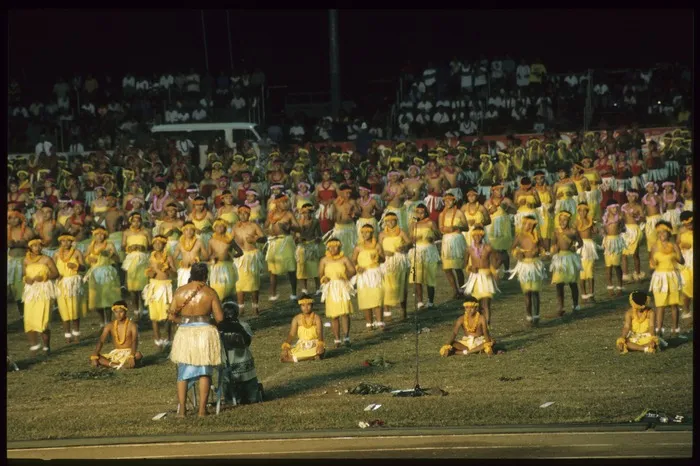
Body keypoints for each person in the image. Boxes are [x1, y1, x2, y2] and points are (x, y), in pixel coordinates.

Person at [168, 262, 224, 417]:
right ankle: (202, 410)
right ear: (205, 275)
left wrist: (185, 322)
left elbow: (171, 315)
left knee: (182, 372)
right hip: (205, 333)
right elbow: (219, 317)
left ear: (191, 275)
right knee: (204, 372)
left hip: (185, 333)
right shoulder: (210, 293)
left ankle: (182, 411)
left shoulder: (180, 291)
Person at [219, 301, 261, 404]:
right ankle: (252, 396)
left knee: (229, 382)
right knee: (249, 382)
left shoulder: (219, 328)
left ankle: (232, 399)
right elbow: (248, 342)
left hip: (228, 362)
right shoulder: (243, 325)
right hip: (244, 360)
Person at [508, 216, 547, 326]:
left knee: (535, 292)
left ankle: (536, 316)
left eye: (531, 224)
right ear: (523, 224)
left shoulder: (537, 236)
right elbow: (512, 248)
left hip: (535, 265)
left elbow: (544, 248)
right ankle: (529, 316)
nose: (529, 226)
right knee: (527, 292)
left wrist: (540, 251)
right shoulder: (519, 236)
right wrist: (517, 253)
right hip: (525, 266)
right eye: (527, 224)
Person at [23, 238, 59, 354]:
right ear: (30, 247)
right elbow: (24, 274)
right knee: (29, 318)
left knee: (43, 319)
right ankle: (34, 345)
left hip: (44, 290)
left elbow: (56, 273)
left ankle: (46, 347)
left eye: (39, 246)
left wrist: (44, 277)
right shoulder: (26, 260)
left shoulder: (46, 259)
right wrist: (25, 279)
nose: (37, 248)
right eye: (34, 246)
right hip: (31, 292)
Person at [649, 221, 684, 338]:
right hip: (659, 278)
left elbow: (682, 261)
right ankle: (659, 330)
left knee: (674, 304)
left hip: (672, 276)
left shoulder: (674, 246)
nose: (661, 234)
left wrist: (676, 255)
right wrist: (654, 263)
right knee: (660, 305)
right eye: (659, 233)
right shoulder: (654, 246)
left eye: (664, 232)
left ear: (669, 233)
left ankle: (675, 330)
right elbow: (652, 264)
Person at [319, 238, 356, 348]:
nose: (333, 249)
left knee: (344, 313)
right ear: (328, 248)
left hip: (342, 287)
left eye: (335, 246)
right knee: (334, 315)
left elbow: (352, 271)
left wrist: (346, 276)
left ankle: (346, 336)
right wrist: (324, 278)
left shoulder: (344, 259)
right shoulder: (324, 260)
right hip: (331, 288)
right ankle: (337, 339)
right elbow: (320, 273)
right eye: (330, 247)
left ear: (340, 247)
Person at [461, 225, 500, 325]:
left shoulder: (488, 248)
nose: (477, 238)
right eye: (475, 235)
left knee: (486, 303)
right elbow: (464, 264)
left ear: (483, 236)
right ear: (472, 236)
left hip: (486, 277)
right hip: (475, 278)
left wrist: (494, 270)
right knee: (476, 305)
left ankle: (487, 326)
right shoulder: (469, 249)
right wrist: (470, 268)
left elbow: (497, 258)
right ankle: (478, 327)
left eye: (479, 235)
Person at [143, 235, 177, 348]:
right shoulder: (151, 257)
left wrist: (167, 268)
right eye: (155, 243)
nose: (157, 245)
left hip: (165, 286)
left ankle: (168, 338)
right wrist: (149, 272)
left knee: (168, 314)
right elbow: (148, 270)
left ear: (164, 244)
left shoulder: (169, 257)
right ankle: (157, 339)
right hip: (154, 286)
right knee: (154, 315)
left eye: (159, 243)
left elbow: (175, 274)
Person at [231, 205, 265, 315]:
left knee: (253, 282)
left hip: (252, 256)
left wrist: (255, 239)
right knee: (239, 283)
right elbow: (230, 240)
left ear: (249, 214)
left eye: (245, 213)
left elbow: (264, 238)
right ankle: (241, 308)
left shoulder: (254, 225)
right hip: (240, 257)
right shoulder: (235, 227)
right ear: (238, 215)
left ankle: (255, 306)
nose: (243, 215)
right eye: (240, 213)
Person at [84, 227, 122, 327]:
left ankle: (108, 323)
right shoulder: (90, 246)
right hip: (94, 273)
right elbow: (85, 259)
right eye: (97, 234)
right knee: (96, 299)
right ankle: (102, 322)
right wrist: (89, 259)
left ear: (105, 235)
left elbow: (117, 259)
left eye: (102, 234)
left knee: (107, 299)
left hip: (106, 273)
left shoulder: (109, 245)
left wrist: (111, 254)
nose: (100, 236)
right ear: (94, 235)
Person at [264, 193, 299, 301]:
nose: (286, 204)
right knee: (272, 270)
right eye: (283, 202)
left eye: (286, 201)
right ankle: (273, 293)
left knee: (291, 268)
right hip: (273, 243)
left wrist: (290, 226)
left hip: (286, 242)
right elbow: (265, 227)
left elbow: (298, 228)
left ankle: (294, 293)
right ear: (277, 203)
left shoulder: (289, 214)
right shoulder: (271, 214)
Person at [54, 234, 87, 344]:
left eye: (68, 241)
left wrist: (76, 266)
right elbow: (53, 269)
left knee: (74, 309)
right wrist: (56, 276)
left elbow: (84, 267)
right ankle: (67, 335)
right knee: (64, 310)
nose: (66, 243)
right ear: (60, 242)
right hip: (62, 284)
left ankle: (76, 334)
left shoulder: (77, 252)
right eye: (63, 241)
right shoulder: (56, 254)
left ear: (72, 242)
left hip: (73, 283)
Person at [90, 301, 143, 369]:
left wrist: (132, 355)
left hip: (129, 353)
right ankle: (119, 365)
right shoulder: (109, 325)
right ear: (113, 312)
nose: (118, 314)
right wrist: (95, 355)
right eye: (116, 312)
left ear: (126, 312)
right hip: (116, 353)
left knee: (138, 355)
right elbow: (101, 341)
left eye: (121, 312)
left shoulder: (132, 325)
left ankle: (114, 365)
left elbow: (134, 341)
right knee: (95, 356)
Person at [352, 224, 385, 331]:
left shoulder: (377, 246)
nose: (365, 234)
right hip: (364, 274)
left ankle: (380, 321)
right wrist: (357, 267)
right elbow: (353, 261)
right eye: (363, 232)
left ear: (372, 233)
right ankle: (369, 323)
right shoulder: (358, 247)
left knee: (377, 297)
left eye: (367, 232)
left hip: (375, 273)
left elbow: (383, 259)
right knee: (366, 298)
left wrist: (378, 257)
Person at [379, 212, 410, 321]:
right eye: (387, 221)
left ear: (396, 221)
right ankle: (387, 312)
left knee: (401, 285)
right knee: (386, 286)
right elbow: (378, 248)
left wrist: (404, 247)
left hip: (399, 260)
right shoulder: (382, 234)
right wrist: (384, 252)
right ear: (385, 222)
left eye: (392, 220)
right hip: (386, 262)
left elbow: (409, 243)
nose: (390, 223)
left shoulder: (401, 232)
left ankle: (403, 310)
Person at [408, 203, 441, 309]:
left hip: (428, 251)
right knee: (417, 277)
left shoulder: (431, 223)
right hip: (417, 251)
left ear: (425, 212)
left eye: (421, 212)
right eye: (417, 212)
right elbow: (410, 238)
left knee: (429, 277)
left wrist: (432, 238)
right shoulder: (413, 224)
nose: (419, 214)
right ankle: (420, 301)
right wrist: (413, 240)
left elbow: (438, 235)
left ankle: (430, 301)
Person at [550, 211, 582, 316]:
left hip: (570, 258)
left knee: (573, 283)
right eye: (560, 220)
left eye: (565, 220)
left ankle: (576, 305)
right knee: (559, 284)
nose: (562, 222)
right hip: (560, 258)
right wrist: (554, 249)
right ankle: (561, 307)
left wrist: (575, 247)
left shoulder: (573, 231)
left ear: (569, 220)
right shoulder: (556, 231)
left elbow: (580, 242)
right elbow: (553, 243)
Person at [121, 212, 151, 319]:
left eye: (138, 221)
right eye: (134, 221)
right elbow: (122, 247)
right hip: (131, 261)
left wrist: (143, 248)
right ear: (130, 221)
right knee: (133, 288)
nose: (136, 223)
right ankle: (136, 311)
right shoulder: (126, 233)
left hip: (143, 260)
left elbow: (151, 245)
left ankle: (145, 312)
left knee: (143, 286)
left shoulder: (146, 232)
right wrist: (129, 248)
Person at [439, 192, 468, 298]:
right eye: (445, 201)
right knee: (447, 268)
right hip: (447, 240)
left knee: (457, 267)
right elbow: (440, 228)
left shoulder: (459, 213)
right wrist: (445, 230)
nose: (447, 202)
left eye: (449, 200)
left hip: (457, 239)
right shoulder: (442, 214)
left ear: (454, 201)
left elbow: (466, 227)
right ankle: (455, 290)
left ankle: (461, 289)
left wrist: (457, 228)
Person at [280, 294, 325, 362]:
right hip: (302, 345)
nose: (306, 307)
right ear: (300, 307)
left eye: (308, 305)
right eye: (303, 305)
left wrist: (320, 344)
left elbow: (319, 332)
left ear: (312, 305)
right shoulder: (297, 319)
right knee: (286, 353)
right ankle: (310, 357)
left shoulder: (316, 318)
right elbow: (292, 334)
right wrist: (286, 346)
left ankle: (293, 359)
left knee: (319, 351)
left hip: (314, 344)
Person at [8, 209, 35, 318]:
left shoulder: (27, 230)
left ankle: (30, 310)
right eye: (10, 218)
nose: (12, 220)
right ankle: (22, 314)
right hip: (12, 262)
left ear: (20, 218)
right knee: (15, 288)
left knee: (26, 286)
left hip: (25, 260)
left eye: (15, 217)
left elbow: (29, 243)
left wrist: (22, 243)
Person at [208, 219, 243, 301]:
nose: (220, 228)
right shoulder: (211, 241)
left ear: (225, 228)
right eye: (217, 226)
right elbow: (209, 255)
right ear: (214, 228)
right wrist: (212, 258)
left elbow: (240, 252)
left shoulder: (230, 240)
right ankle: (218, 303)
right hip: (216, 266)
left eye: (222, 226)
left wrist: (232, 255)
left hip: (227, 266)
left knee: (228, 286)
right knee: (217, 286)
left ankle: (228, 303)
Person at [294, 203, 322, 296]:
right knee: (302, 268)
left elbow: (319, 234)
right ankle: (304, 289)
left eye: (309, 212)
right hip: (302, 247)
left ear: (312, 212)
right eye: (305, 213)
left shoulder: (315, 221)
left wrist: (318, 238)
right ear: (302, 213)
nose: (307, 215)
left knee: (315, 267)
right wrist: (298, 239)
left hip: (312, 245)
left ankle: (318, 288)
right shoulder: (298, 222)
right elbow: (295, 236)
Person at [601, 200, 626, 296]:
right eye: (613, 208)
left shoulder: (619, 217)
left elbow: (623, 228)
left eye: (616, 208)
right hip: (608, 241)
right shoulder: (605, 218)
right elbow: (603, 229)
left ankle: (620, 286)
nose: (615, 209)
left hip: (616, 241)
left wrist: (621, 228)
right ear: (608, 209)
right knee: (608, 266)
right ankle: (610, 286)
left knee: (616, 265)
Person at [621, 190, 646, 283]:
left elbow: (644, 218)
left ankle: (637, 274)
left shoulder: (638, 207)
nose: (630, 198)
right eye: (629, 196)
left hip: (635, 230)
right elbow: (621, 217)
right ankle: (625, 275)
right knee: (624, 254)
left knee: (635, 254)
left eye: (633, 196)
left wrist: (637, 216)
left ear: (636, 197)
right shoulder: (624, 207)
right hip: (626, 230)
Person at [576, 203, 598, 304]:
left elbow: (594, 231)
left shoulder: (590, 221)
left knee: (590, 271)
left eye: (585, 210)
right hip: (581, 246)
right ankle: (584, 295)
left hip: (589, 246)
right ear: (578, 212)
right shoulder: (576, 222)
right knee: (582, 272)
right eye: (580, 210)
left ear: (587, 211)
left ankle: (591, 294)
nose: (582, 212)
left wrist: (595, 228)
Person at [677, 211, 693, 320]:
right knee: (686, 284)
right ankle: (686, 310)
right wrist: (682, 245)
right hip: (686, 260)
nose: (689, 226)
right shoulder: (681, 231)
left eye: (691, 223)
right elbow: (677, 244)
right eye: (687, 224)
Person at [642, 182, 663, 255]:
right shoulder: (644, 198)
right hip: (649, 220)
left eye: (652, 187)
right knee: (650, 239)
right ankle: (651, 258)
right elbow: (642, 210)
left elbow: (661, 209)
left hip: (657, 219)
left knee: (660, 237)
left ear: (655, 188)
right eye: (649, 187)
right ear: (646, 188)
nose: (651, 188)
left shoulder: (658, 197)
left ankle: (661, 256)